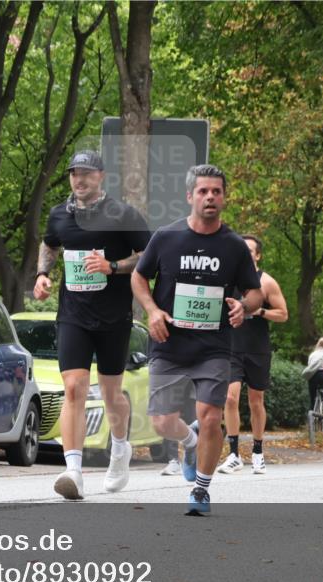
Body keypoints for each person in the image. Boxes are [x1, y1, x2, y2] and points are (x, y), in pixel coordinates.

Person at [132, 164, 262, 515]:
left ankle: (201, 490)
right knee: (160, 421)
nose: (210, 197)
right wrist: (152, 311)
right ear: (190, 196)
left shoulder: (234, 246)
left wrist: (244, 307)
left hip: (214, 346)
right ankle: (189, 443)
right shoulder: (167, 237)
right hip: (169, 341)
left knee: (209, 415)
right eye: (203, 191)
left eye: (216, 191)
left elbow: (254, 292)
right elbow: (139, 277)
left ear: (224, 197)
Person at [34, 149, 151, 500]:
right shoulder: (60, 215)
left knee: (112, 393)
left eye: (86, 173)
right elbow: (50, 244)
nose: (79, 179)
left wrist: (112, 266)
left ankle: (119, 449)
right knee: (74, 388)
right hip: (73, 315)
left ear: (101, 176)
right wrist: (42, 274)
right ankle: (73, 471)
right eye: (74, 173)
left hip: (114, 317)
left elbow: (147, 257)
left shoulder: (123, 215)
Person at [218, 235, 288, 475]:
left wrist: (260, 311)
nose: (245, 254)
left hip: (257, 347)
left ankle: (258, 452)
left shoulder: (266, 282)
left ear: (257, 255)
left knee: (256, 401)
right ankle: (234, 453)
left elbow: (283, 314)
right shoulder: (228, 278)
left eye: (249, 251)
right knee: (230, 397)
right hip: (231, 346)